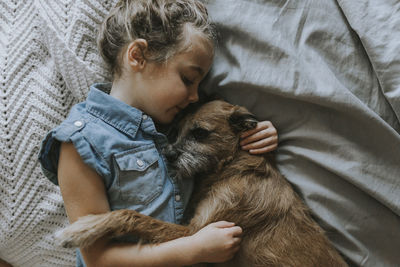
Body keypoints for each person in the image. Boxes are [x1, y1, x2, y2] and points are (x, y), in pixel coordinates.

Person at [39, 0, 279, 266]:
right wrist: (193, 249)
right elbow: (99, 260)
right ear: (137, 56)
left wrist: (258, 134)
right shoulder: (80, 143)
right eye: (188, 79)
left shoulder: (180, 121)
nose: (195, 96)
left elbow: (223, 136)